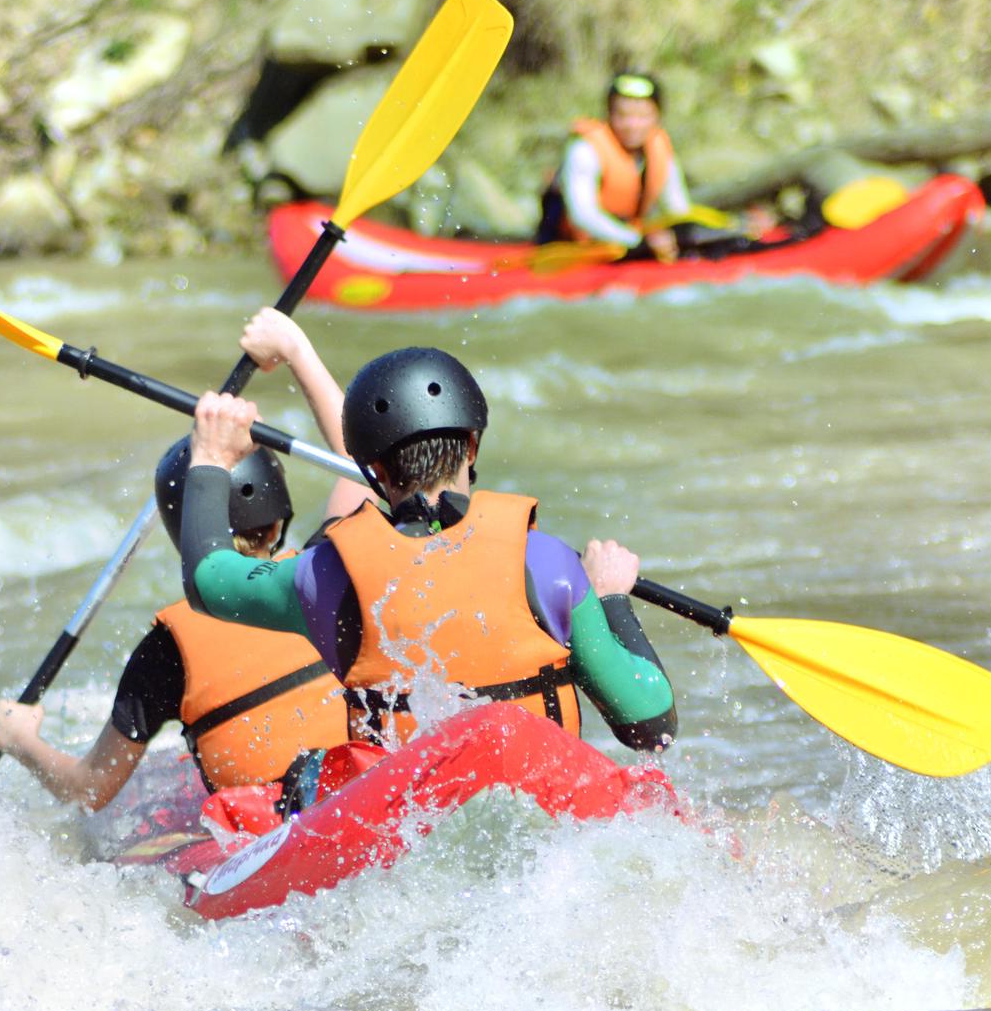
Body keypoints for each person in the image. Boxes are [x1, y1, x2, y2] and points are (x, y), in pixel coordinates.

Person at [177, 313, 678, 757]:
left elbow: (207, 580)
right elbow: (651, 725)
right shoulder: (546, 564)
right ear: (472, 444)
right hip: (544, 832)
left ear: (372, 468)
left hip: (407, 835)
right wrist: (611, 599)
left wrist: (210, 457)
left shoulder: (330, 574)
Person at [0, 439, 349, 812]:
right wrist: (304, 374)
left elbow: (89, 790)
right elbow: (351, 462)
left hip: (266, 833)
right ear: (275, 526)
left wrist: (20, 741)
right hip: (358, 784)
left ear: (186, 537)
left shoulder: (164, 650)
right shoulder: (326, 574)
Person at [537, 69, 690, 262]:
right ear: (609, 114)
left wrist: (675, 238)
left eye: (643, 116)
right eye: (623, 115)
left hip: (624, 242)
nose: (633, 125)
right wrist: (637, 240)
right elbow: (582, 215)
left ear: (657, 117)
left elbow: (678, 209)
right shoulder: (584, 149)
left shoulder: (660, 149)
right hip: (570, 244)